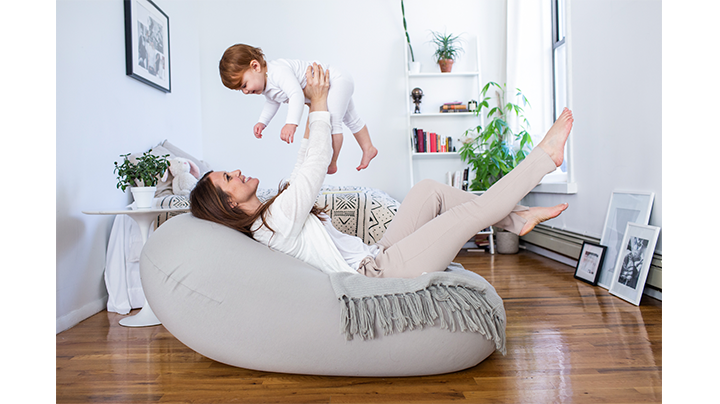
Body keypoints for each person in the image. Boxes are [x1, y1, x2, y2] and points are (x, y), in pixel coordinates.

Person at [191, 63, 573, 279]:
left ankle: (514, 219)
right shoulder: (273, 220)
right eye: (227, 178)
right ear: (228, 204)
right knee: (465, 214)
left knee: (429, 190)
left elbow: (303, 164)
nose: (236, 172)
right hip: (377, 275)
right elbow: (316, 165)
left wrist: (314, 108)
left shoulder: (273, 214)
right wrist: (321, 103)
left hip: (378, 254)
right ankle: (544, 158)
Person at [219, 44, 378, 174]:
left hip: (336, 80)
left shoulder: (277, 72)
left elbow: (296, 94)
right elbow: (272, 103)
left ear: (255, 66)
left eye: (244, 85)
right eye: (241, 90)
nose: (245, 92)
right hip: (335, 83)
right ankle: (368, 148)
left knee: (334, 123)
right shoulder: (267, 87)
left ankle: (332, 162)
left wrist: (291, 123)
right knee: (351, 118)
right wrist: (262, 122)